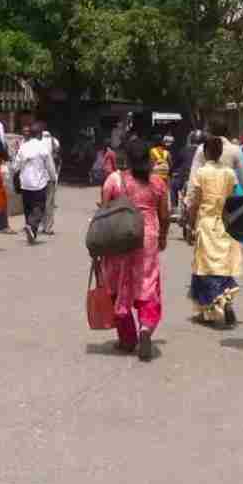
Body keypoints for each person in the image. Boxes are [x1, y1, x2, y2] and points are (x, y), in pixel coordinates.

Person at [97, 137, 169, 361]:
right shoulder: (157, 182)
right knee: (147, 284)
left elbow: (104, 210)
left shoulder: (114, 180)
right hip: (146, 238)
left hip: (118, 238)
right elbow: (165, 214)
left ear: (126, 157)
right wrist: (164, 237)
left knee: (119, 284)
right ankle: (146, 328)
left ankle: (127, 338)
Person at [185, 135, 243, 326]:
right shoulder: (229, 173)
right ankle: (224, 300)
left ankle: (213, 303)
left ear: (205, 152)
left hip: (206, 222)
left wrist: (190, 223)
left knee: (205, 268)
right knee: (223, 266)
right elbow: (234, 200)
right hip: (224, 224)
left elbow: (194, 202)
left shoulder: (201, 173)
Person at [15, 122, 58, 244]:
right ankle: (32, 226)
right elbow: (50, 166)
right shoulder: (43, 148)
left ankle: (31, 229)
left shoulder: (23, 147)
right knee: (39, 207)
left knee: (28, 208)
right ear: (39, 134)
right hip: (39, 184)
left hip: (25, 184)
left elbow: (16, 165)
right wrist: (53, 178)